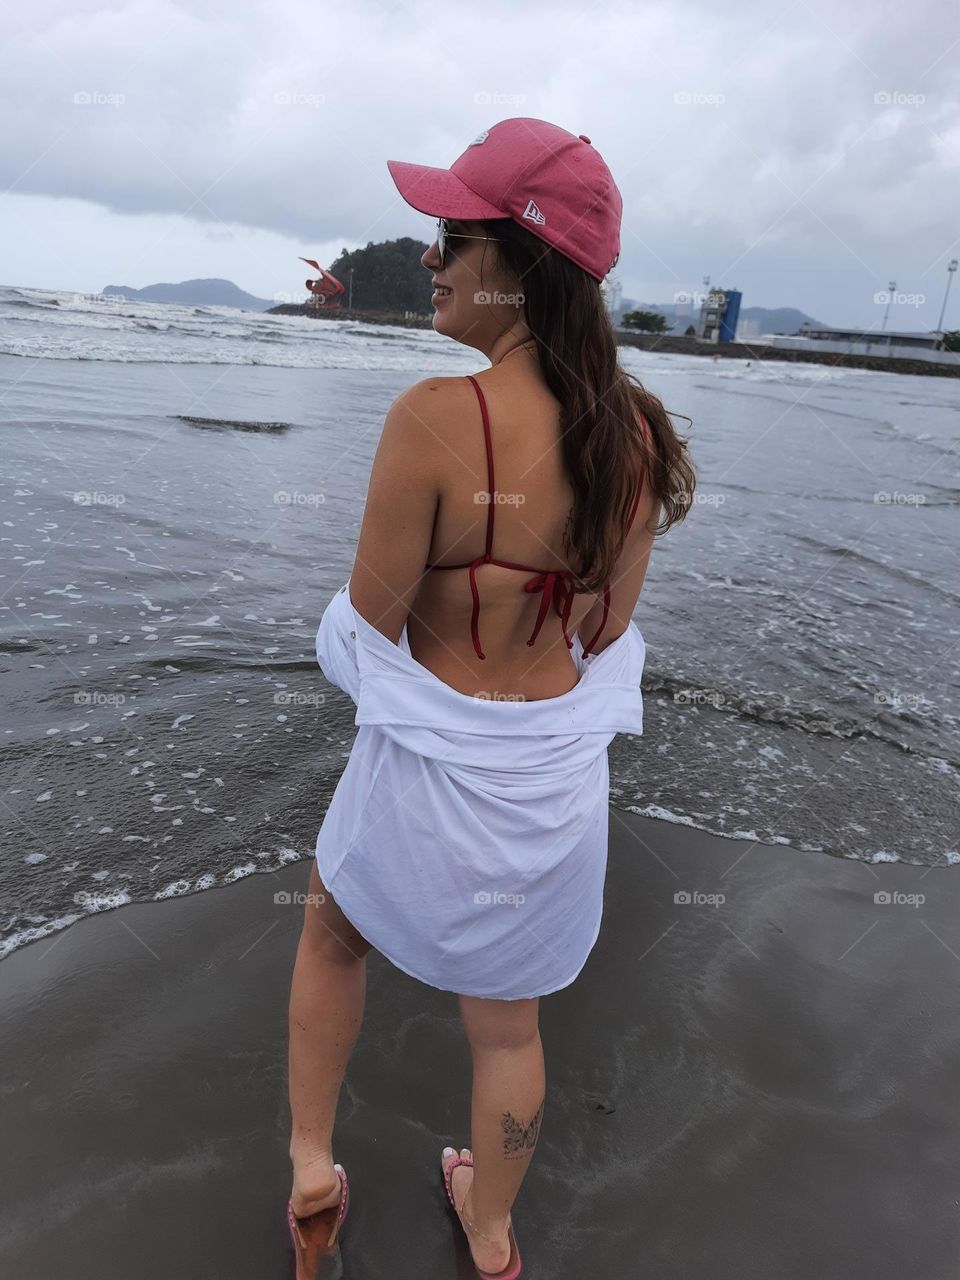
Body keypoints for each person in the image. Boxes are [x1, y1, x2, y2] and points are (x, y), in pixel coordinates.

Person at [286, 117, 696, 1279]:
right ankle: (493, 1228)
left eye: (450, 237)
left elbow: (365, 631)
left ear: (519, 263)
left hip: (425, 768)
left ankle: (312, 1171)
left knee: (332, 933)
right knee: (509, 1021)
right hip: (552, 786)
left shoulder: (435, 417)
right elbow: (602, 632)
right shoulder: (636, 434)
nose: (431, 258)